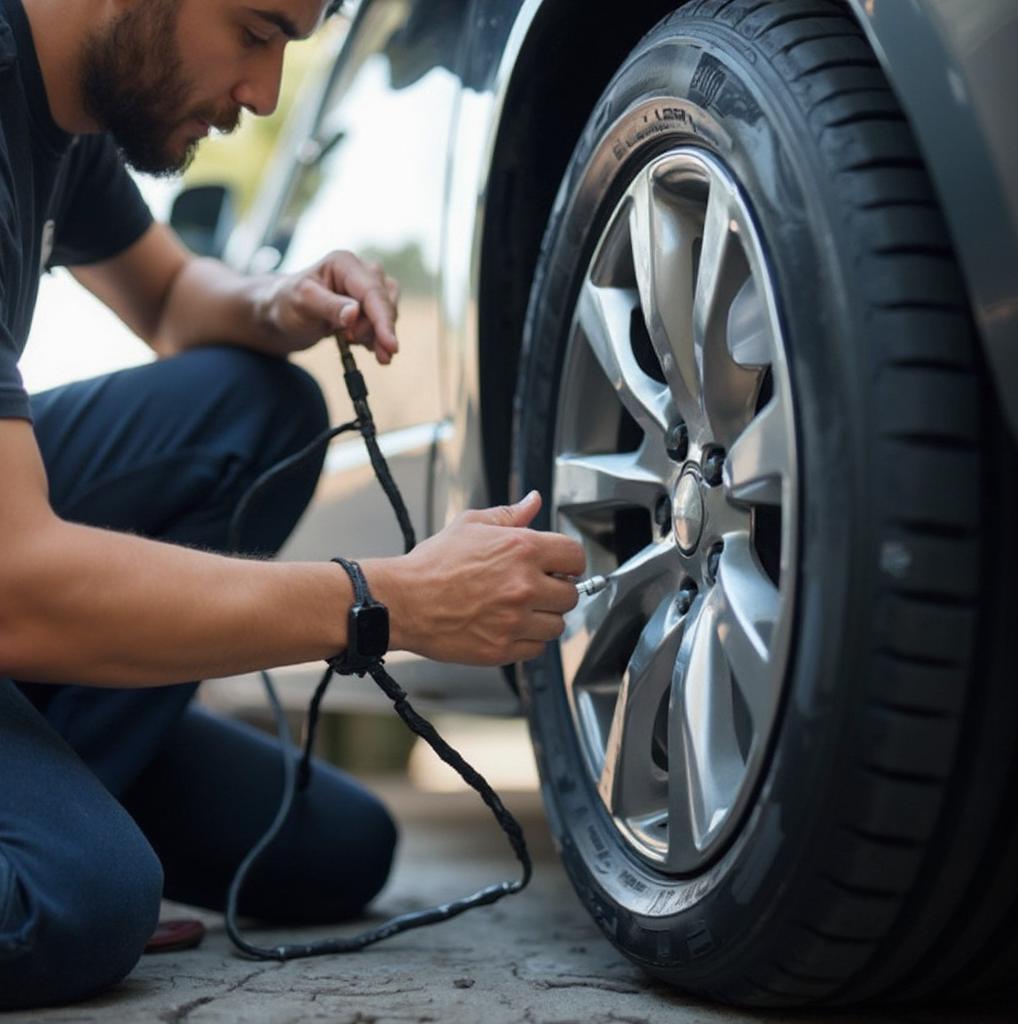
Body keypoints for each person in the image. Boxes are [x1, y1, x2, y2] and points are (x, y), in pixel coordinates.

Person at [0, 0, 585, 1010]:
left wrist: (283, 300)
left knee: (336, 847)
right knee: (81, 897)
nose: (264, 96)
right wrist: (382, 601)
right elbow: (15, 586)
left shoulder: (64, 111)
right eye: (259, 30)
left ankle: (47, 786)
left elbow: (177, 303)